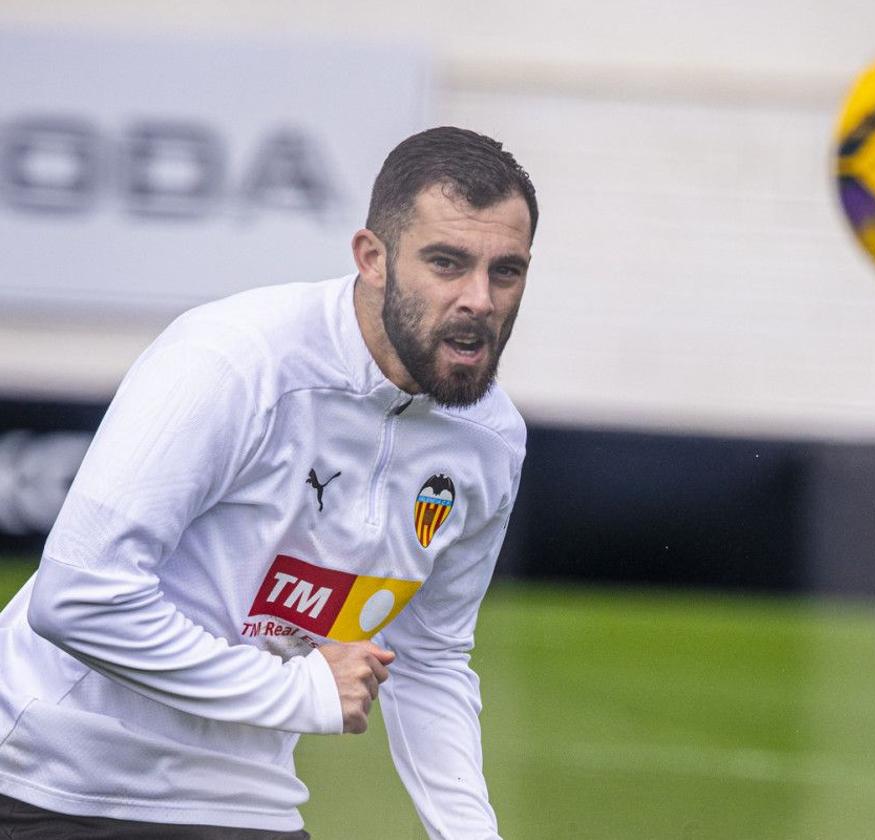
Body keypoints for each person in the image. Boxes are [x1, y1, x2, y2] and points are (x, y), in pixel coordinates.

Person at [0, 126, 536, 839]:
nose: (480, 299)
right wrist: (297, 689)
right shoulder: (234, 361)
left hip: (242, 799)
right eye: (447, 263)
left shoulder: (491, 441)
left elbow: (431, 659)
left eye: (507, 271)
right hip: (47, 780)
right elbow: (78, 598)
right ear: (371, 259)